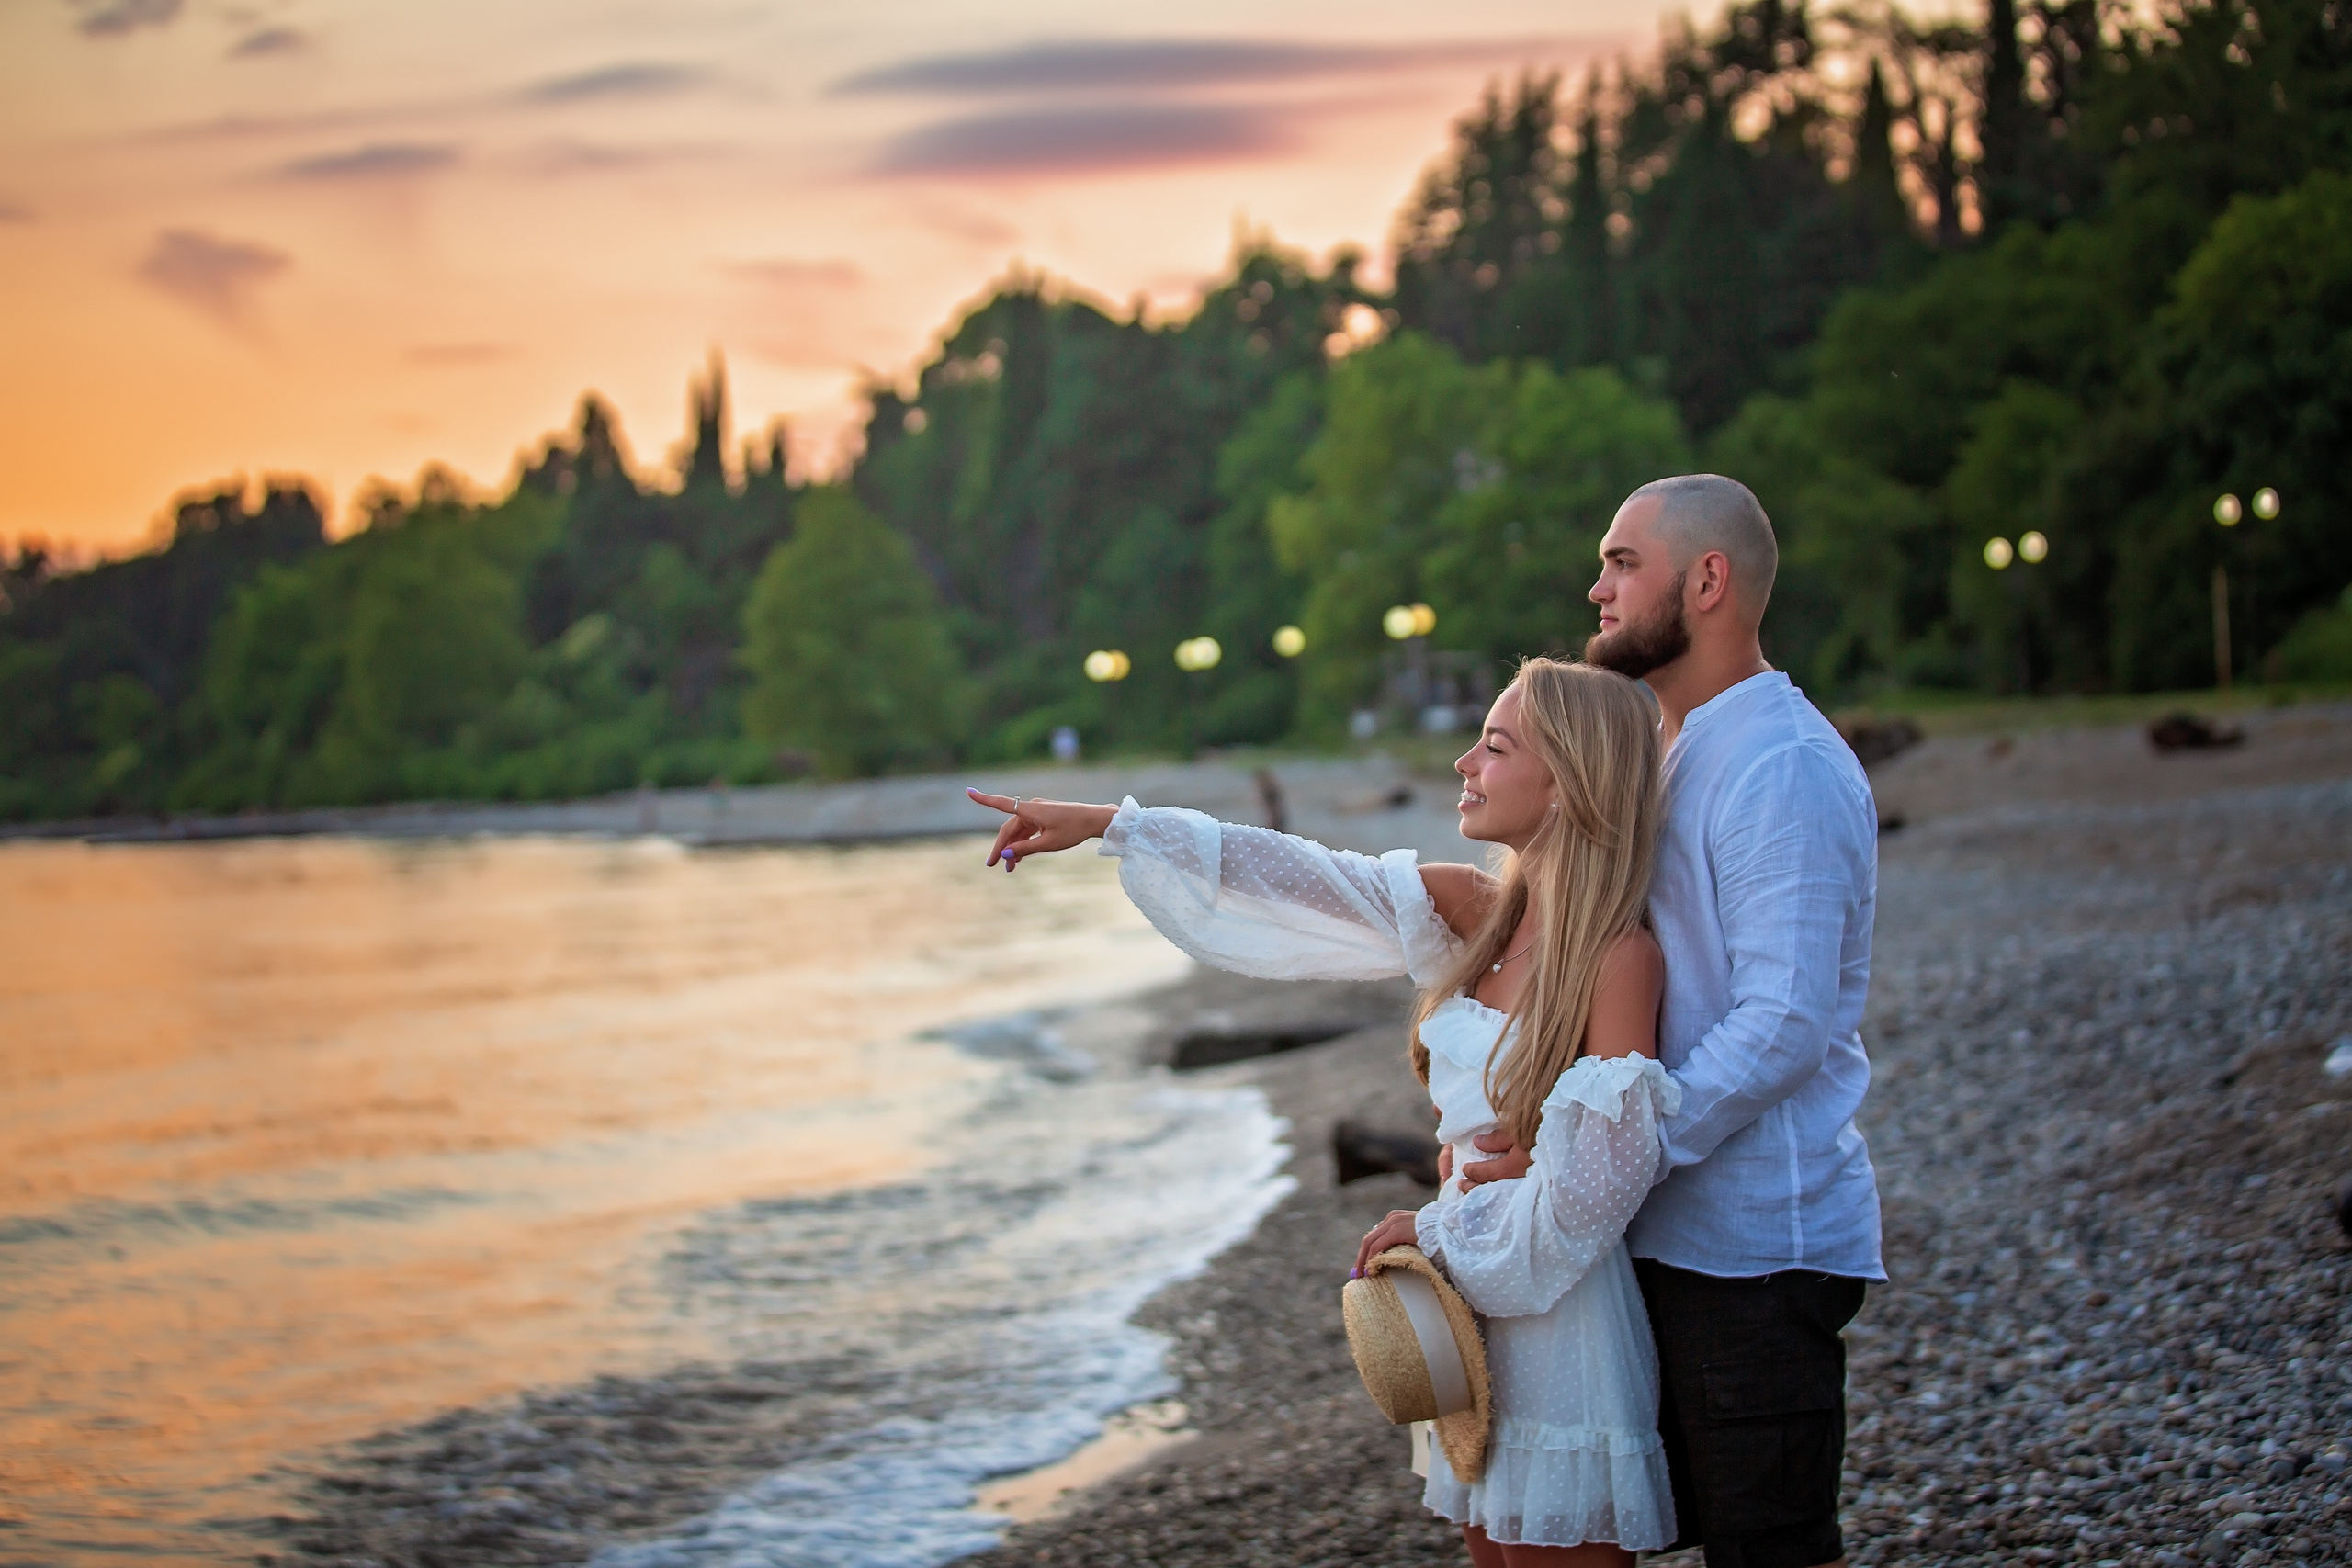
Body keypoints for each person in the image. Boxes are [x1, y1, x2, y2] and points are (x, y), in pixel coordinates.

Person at [970, 656, 1680, 1567]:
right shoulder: (1476, 911)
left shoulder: (1618, 959)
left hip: (1558, 1330)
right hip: (1458, 1321)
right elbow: (1300, 875)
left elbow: (1594, 1195)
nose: (1464, 762)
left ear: (1570, 781)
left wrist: (1435, 1228)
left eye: (1494, 747)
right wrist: (1116, 826)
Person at [1459, 475, 1883, 1568]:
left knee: (1767, 1551)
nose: (1595, 588)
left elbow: (1785, 1021)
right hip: (1661, 1230)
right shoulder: (1674, 745)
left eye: (1621, 563)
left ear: (1707, 580)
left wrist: (1602, 1154)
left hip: (1751, 1248)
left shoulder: (1779, 765)